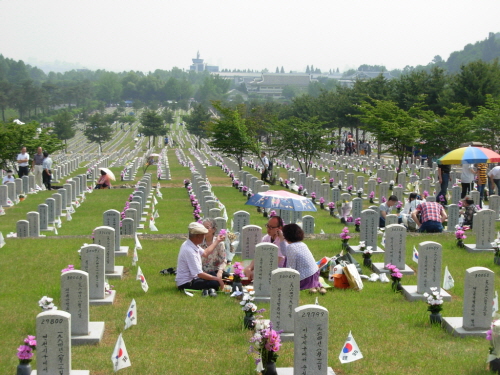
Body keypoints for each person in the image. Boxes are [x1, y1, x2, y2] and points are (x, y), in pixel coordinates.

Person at [176, 222, 226, 291]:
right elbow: (199, 274)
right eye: (203, 235)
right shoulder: (189, 250)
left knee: (212, 273)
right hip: (187, 283)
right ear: (198, 236)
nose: (204, 237)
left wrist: (217, 241)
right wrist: (218, 279)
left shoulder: (191, 244)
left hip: (194, 278)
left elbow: (205, 253)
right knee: (214, 282)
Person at [277, 224, 325, 293]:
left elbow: (291, 269)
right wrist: (281, 238)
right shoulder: (302, 244)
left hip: (304, 278)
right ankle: (316, 286)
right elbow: (285, 253)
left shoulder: (291, 247)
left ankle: (312, 287)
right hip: (314, 274)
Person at [243, 215, 286, 279]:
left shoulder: (282, 241)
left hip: (278, 270)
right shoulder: (266, 238)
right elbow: (258, 255)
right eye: (267, 226)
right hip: (265, 267)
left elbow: (275, 262)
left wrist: (259, 270)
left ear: (279, 228)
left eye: (271, 227)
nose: (268, 229)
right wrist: (250, 267)